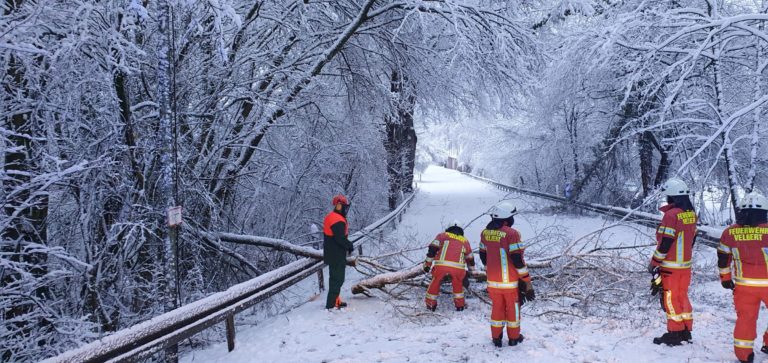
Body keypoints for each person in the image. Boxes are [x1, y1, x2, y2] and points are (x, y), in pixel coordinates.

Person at [718, 191, 768, 363]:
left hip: (744, 286)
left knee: (745, 320)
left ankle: (744, 355)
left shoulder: (730, 232)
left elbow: (723, 257)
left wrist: (725, 278)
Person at [648, 177, 697, 346]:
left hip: (671, 267)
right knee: (682, 297)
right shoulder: (690, 214)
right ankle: (685, 330)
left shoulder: (671, 215)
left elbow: (666, 242)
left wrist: (654, 262)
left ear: (673, 197)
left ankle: (674, 333)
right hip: (685, 266)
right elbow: (692, 239)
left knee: (670, 298)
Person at [480, 201, 534, 347]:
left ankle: (496, 338)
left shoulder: (485, 233)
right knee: (513, 310)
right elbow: (517, 260)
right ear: (506, 218)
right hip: (510, 284)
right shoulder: (512, 234)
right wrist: (527, 282)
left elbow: (483, 257)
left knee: (497, 309)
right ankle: (514, 338)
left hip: (493, 283)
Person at [423, 221, 476, 311]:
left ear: (448, 228)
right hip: (458, 268)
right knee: (458, 285)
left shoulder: (442, 236)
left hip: (441, 266)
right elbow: (470, 258)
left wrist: (427, 264)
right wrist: (472, 270)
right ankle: (460, 306)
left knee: (435, 283)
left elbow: (432, 249)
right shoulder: (465, 241)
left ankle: (430, 305)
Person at [323, 194, 354, 310]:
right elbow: (340, 238)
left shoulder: (332, 217)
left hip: (333, 253)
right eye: (344, 207)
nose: (346, 209)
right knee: (338, 279)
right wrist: (349, 245)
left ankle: (335, 300)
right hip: (336, 254)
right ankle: (331, 305)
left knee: (334, 279)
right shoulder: (336, 219)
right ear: (339, 206)